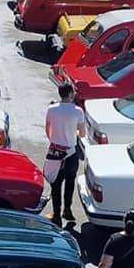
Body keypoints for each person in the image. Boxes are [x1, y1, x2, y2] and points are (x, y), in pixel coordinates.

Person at [45, 83, 85, 223]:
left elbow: (47, 129)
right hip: (71, 152)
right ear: (70, 94)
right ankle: (67, 210)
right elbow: (82, 133)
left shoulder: (51, 109)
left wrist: (55, 139)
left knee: (55, 183)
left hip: (55, 150)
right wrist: (73, 133)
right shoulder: (78, 111)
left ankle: (56, 213)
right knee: (70, 181)